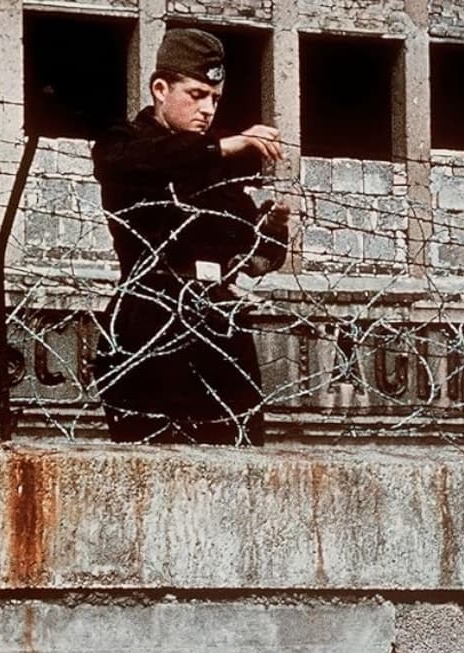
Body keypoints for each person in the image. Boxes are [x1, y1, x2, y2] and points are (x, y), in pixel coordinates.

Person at [91, 28, 290, 445]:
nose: (207, 109)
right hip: (149, 323)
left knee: (240, 463)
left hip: (217, 328)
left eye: (214, 99)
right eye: (196, 94)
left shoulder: (214, 163)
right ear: (160, 89)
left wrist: (272, 232)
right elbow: (139, 164)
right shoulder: (123, 145)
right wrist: (223, 149)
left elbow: (253, 257)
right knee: (150, 468)